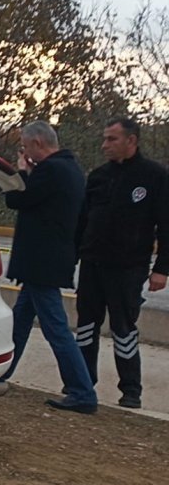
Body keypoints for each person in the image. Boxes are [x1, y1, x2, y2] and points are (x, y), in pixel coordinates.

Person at [0, 121, 98, 413]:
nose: (25, 152)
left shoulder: (51, 170)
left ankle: (82, 391)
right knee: (21, 321)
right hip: (49, 260)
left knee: (56, 329)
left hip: (41, 263)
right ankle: (2, 371)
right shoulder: (71, 171)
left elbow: (17, 198)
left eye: (25, 147)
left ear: (38, 143)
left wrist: (20, 171)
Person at [73, 118, 169, 409]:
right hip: (92, 263)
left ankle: (131, 389)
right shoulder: (99, 176)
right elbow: (83, 221)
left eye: (112, 139)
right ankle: (82, 383)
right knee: (87, 325)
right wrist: (73, 256)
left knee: (123, 328)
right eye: (104, 139)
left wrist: (162, 268)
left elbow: (165, 225)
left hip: (128, 266)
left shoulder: (154, 176)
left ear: (132, 140)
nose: (105, 145)